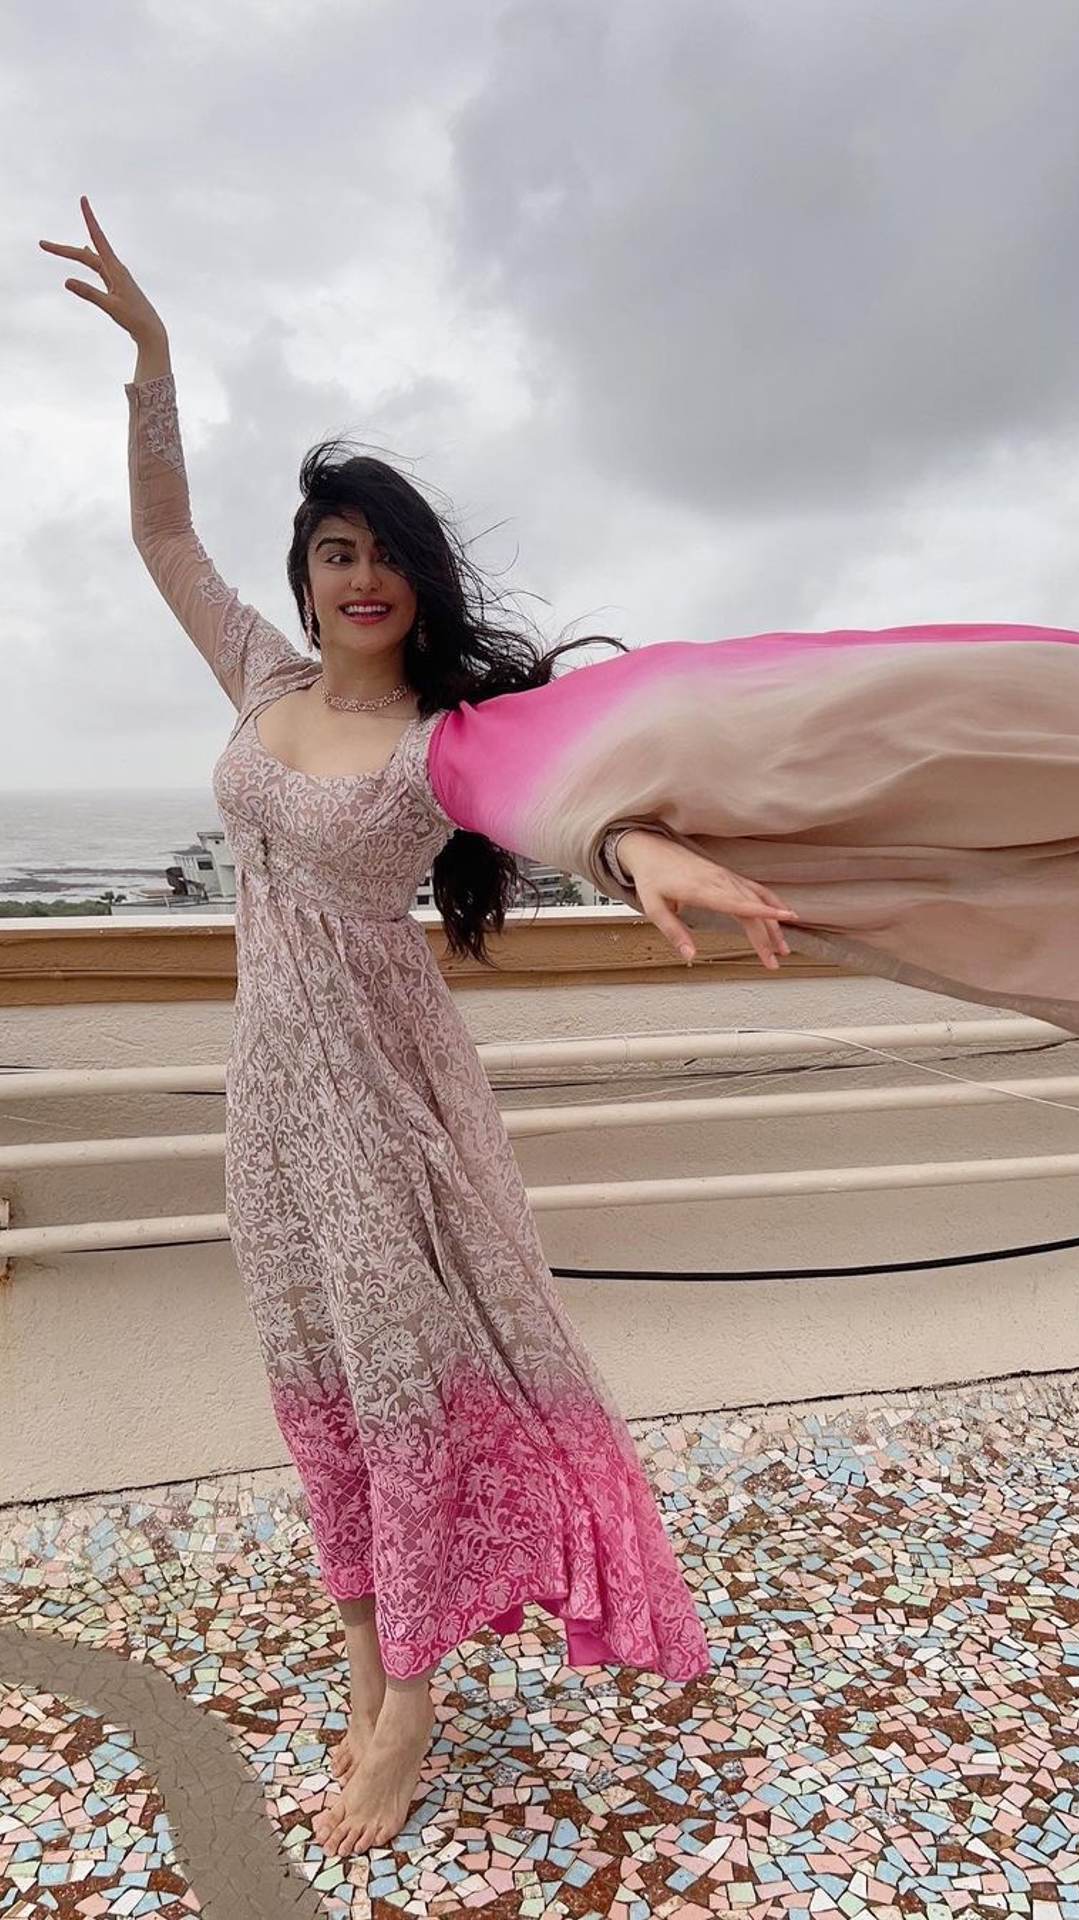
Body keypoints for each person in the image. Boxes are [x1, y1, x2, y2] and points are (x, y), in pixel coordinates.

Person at [41, 196, 767, 1858]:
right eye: (335, 551)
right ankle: (373, 1663)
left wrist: (654, 857)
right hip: (267, 1098)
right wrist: (155, 362)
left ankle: (410, 1714)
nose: (359, 575)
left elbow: (568, 806)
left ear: (421, 581)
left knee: (405, 1384)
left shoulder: (452, 736)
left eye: (383, 552)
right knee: (318, 1387)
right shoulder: (255, 679)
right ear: (310, 575)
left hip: (385, 1097)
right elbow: (163, 540)